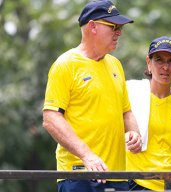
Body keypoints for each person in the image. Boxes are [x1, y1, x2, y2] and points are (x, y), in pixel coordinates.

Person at [42, 0, 142, 191]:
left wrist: (134, 134)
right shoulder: (66, 64)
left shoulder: (115, 65)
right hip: (79, 174)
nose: (119, 32)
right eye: (114, 26)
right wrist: (87, 156)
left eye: (120, 27)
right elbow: (51, 118)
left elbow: (126, 112)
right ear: (92, 26)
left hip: (118, 175)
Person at [126, 36, 171, 191]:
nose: (165, 67)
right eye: (159, 60)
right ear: (149, 62)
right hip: (139, 183)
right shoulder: (132, 93)